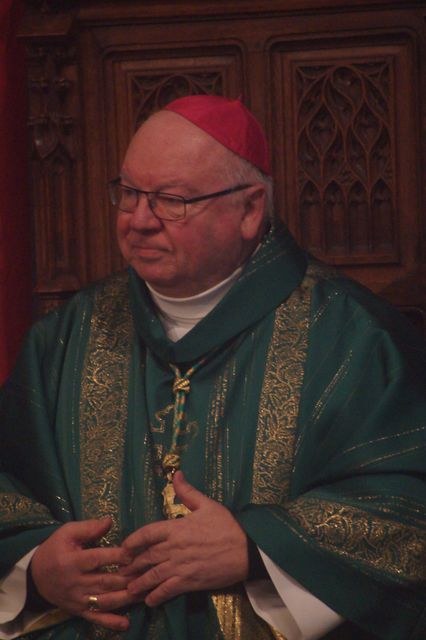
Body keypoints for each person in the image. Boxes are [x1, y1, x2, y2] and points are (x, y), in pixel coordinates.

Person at [0, 94, 425, 640]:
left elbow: (406, 511)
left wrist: (258, 548)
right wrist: (36, 565)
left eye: (171, 200)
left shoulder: (355, 338)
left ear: (249, 210)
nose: (138, 221)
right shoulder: (63, 340)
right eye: (128, 193)